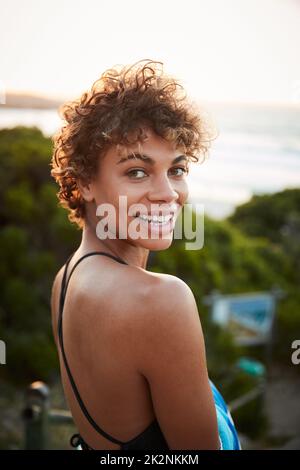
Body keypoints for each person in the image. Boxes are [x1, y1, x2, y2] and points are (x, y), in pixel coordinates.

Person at [50, 59, 241, 450]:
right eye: (137, 171)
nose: (168, 193)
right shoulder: (160, 299)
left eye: (177, 169)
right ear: (84, 181)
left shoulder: (67, 278)